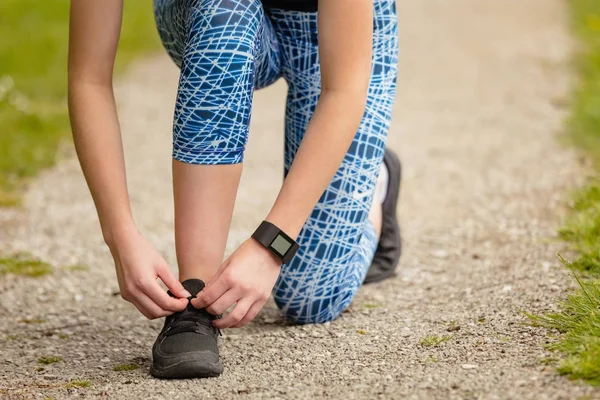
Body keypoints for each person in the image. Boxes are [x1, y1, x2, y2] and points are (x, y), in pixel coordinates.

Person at [68, 0, 400, 379]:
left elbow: (344, 89)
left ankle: (375, 185)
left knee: (311, 299)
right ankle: (193, 303)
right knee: (225, 8)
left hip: (329, 28)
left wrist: (271, 245)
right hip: (214, 14)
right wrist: (120, 235)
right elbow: (88, 78)